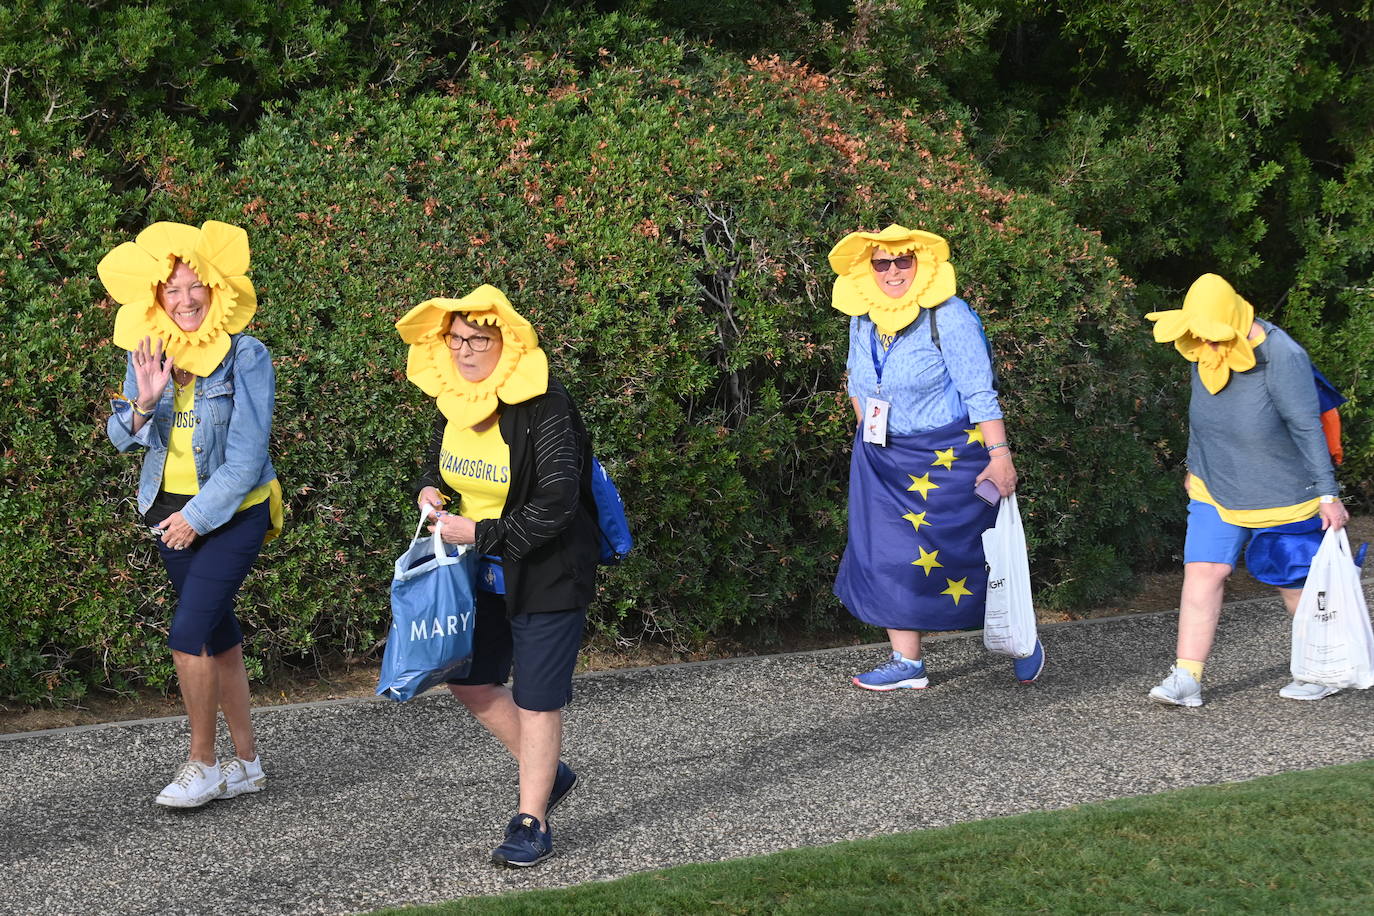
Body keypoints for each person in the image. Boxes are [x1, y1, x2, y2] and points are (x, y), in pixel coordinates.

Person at [396, 284, 599, 868]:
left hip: (547, 569)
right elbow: (455, 465)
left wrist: (479, 534)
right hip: (478, 569)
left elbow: (558, 501)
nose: (462, 351)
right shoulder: (457, 396)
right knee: (468, 679)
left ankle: (531, 819)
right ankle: (549, 771)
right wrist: (434, 491)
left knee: (538, 699)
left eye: (476, 340)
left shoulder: (546, 404)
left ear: (505, 342)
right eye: (456, 339)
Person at [99, 220, 283, 807]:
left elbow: (249, 459)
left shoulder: (246, 357)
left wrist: (196, 518)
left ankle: (202, 764)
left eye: (193, 286)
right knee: (219, 636)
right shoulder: (147, 349)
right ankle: (247, 765)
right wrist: (143, 403)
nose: (182, 300)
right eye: (170, 289)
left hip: (230, 514)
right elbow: (119, 437)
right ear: (155, 296)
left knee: (186, 636)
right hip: (165, 511)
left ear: (216, 289)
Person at [830, 224, 1044, 689]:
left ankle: (1020, 637)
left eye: (902, 261)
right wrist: (868, 430)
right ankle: (907, 664)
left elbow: (979, 392)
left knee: (966, 557)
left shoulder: (949, 316)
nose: (892, 271)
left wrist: (1000, 454)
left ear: (921, 264)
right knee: (884, 556)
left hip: (948, 457)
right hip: (883, 458)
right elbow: (855, 377)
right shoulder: (861, 317)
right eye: (881, 263)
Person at [1144, 273, 1351, 707]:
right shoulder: (1204, 343)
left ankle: (1321, 669)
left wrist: (1328, 494)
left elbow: (1304, 424)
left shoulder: (1283, 355)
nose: (1202, 345)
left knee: (1295, 584)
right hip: (1214, 485)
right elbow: (1202, 415)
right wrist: (1194, 466)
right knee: (1203, 573)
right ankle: (1187, 677)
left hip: (1284, 493)